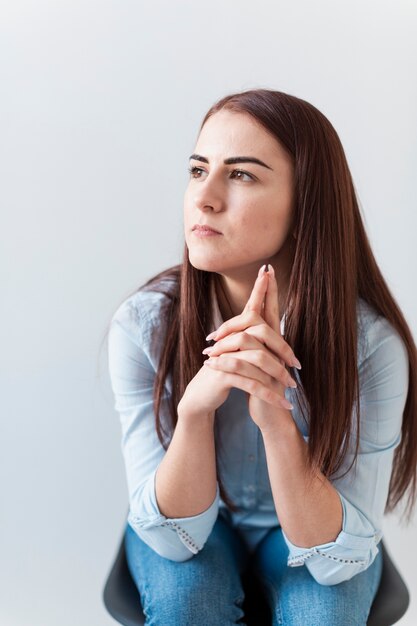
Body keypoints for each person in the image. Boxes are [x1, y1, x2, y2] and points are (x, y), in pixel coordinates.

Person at [107, 88, 417, 625]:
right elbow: (175, 542)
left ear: (305, 208)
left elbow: (336, 564)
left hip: (311, 524)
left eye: (242, 175)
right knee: (186, 604)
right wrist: (195, 412)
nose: (204, 198)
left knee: (327, 611)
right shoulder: (143, 326)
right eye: (199, 170)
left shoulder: (372, 347)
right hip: (198, 521)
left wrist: (275, 420)